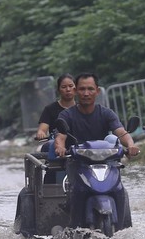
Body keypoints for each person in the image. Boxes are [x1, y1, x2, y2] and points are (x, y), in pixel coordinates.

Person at [53, 73, 140, 227]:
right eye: (82, 89)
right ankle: (74, 223)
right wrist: (60, 147)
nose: (86, 93)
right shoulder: (66, 115)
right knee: (75, 192)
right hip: (78, 164)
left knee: (120, 188)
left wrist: (130, 145)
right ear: (76, 91)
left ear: (97, 91)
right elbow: (61, 136)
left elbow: (121, 132)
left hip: (106, 164)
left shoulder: (106, 113)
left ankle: (122, 227)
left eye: (90, 89)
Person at [35, 73, 76, 158]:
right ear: (58, 90)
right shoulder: (50, 109)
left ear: (76, 88)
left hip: (78, 144)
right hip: (57, 145)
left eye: (71, 86)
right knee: (50, 145)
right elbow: (42, 129)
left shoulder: (82, 108)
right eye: (64, 87)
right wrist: (41, 133)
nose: (68, 89)